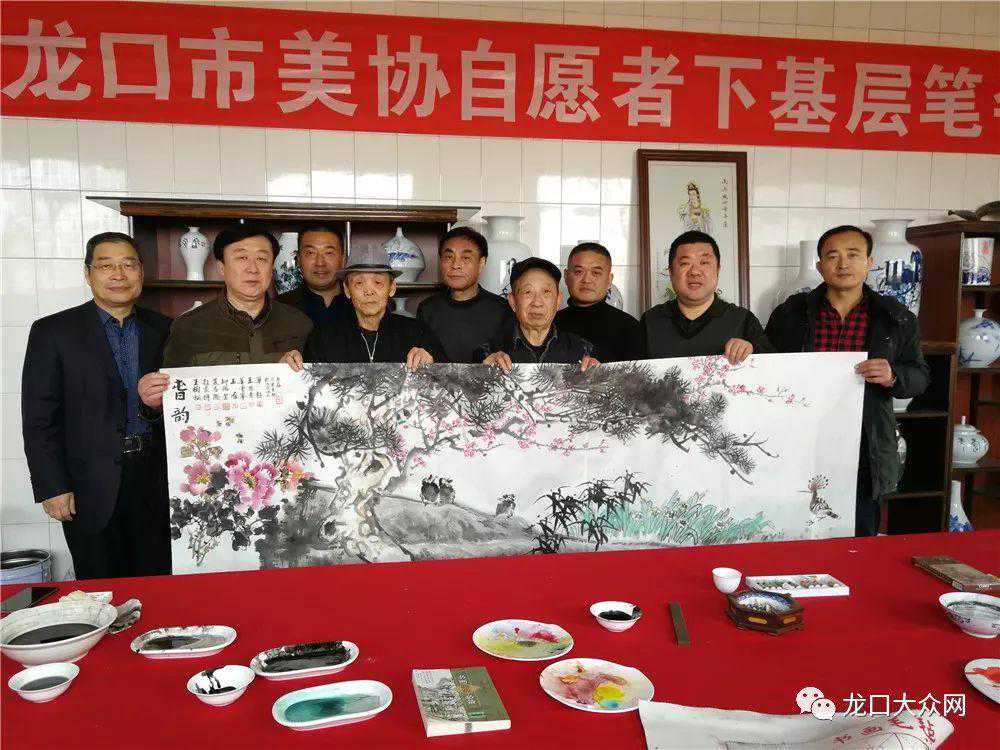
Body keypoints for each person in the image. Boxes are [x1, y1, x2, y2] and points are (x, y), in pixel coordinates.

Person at [21, 232, 172, 579]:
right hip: (88, 483)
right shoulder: (53, 332)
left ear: (141, 272)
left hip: (155, 480)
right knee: (100, 584)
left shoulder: (165, 329)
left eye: (128, 265)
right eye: (106, 266)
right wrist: (52, 486)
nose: (118, 274)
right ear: (88, 274)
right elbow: (39, 418)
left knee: (160, 581)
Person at [766, 224, 930, 537]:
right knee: (792, 532)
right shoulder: (790, 314)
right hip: (800, 440)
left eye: (853, 255)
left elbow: (920, 376)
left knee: (858, 535)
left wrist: (893, 375)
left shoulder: (895, 318)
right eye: (833, 256)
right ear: (820, 266)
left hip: (865, 445)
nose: (843, 264)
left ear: (870, 262)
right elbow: (767, 365)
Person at [149, 226, 312, 373]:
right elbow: (173, 391)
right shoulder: (188, 327)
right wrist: (154, 393)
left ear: (272, 268)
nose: (253, 269)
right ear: (222, 268)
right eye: (242, 258)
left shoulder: (299, 324)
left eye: (262, 259)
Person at [282, 244, 445, 372]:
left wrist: (433, 364)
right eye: (359, 283)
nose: (369, 291)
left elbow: (449, 379)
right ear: (347, 290)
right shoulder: (323, 338)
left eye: (378, 282)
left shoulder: (418, 333)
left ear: (392, 288)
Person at [639, 230, 771, 364]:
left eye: (704, 263)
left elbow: (772, 367)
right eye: (685, 263)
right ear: (671, 272)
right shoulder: (650, 321)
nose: (695, 272)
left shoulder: (743, 321)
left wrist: (752, 351)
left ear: (718, 270)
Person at [479, 257, 600, 373]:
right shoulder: (489, 351)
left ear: (558, 301)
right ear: (513, 302)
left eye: (546, 291)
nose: (537, 302)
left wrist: (599, 376)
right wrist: (482, 373)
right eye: (528, 292)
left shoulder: (582, 349)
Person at [416, 226, 513, 363]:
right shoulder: (427, 308)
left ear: (481, 263)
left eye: (466, 258)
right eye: (448, 257)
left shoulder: (502, 309)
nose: (456, 265)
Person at [554, 242, 642, 362]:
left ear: (609, 280)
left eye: (596, 273)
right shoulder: (550, 323)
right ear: (566, 276)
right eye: (579, 272)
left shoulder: (630, 328)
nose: (586, 280)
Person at [276, 225, 351, 327]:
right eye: (310, 253)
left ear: (343, 260)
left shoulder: (361, 304)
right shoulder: (278, 308)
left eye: (329, 253)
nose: (320, 263)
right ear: (298, 260)